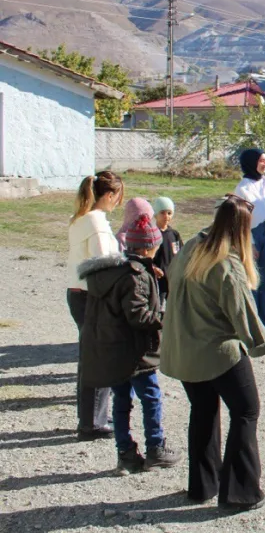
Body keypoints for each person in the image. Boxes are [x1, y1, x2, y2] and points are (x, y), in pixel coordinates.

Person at [161, 195, 265, 511]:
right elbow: (245, 314)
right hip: (217, 353)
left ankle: (203, 486)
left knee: (203, 411)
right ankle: (239, 492)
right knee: (246, 411)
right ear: (242, 229)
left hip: (184, 351)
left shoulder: (192, 246)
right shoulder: (225, 264)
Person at [79, 214, 181, 474]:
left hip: (114, 348)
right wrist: (168, 318)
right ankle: (155, 447)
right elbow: (139, 316)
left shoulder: (113, 272)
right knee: (151, 397)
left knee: (121, 400)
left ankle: (125, 454)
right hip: (137, 351)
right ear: (149, 247)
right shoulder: (134, 277)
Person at [67, 171, 125, 441]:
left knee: (90, 355)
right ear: (110, 195)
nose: (118, 202)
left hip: (78, 293)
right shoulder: (97, 224)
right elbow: (105, 267)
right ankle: (92, 422)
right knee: (98, 357)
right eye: (118, 196)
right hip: (93, 296)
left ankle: (92, 417)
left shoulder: (80, 218)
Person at [233, 148, 265, 331]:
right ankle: (253, 321)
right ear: (252, 162)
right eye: (262, 160)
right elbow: (241, 219)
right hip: (253, 234)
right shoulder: (242, 187)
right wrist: (249, 244)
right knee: (252, 277)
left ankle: (264, 319)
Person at [151, 197, 181, 302]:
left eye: (169, 213)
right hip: (158, 278)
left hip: (172, 278)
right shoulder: (152, 233)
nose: (166, 216)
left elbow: (180, 254)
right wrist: (153, 267)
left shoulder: (174, 234)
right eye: (162, 213)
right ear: (155, 214)